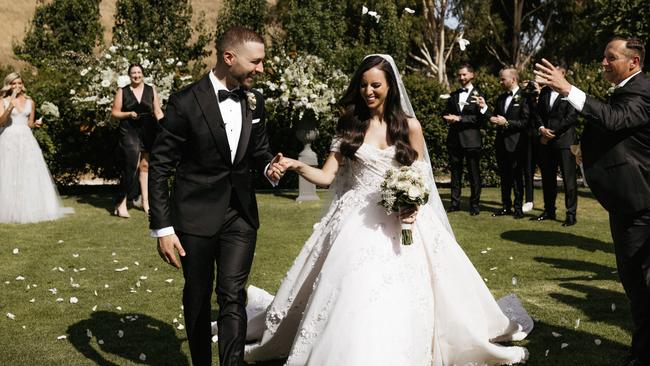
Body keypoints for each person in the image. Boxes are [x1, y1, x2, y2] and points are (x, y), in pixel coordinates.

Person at [241, 55, 532, 365]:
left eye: (376, 85)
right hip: (357, 222)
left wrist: (413, 205)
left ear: (390, 86)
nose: (368, 92)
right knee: (354, 285)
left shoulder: (410, 126)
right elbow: (326, 178)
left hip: (405, 221)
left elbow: (421, 178)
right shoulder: (349, 127)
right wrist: (296, 165)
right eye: (363, 85)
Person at [147, 27, 283, 366]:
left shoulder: (256, 101)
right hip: (194, 217)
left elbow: (260, 152)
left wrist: (269, 168)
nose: (261, 69)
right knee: (196, 296)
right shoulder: (185, 102)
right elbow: (160, 166)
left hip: (241, 216)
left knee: (232, 295)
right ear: (228, 58)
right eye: (256, 62)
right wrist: (163, 229)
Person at [535, 36, 650, 366]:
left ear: (634, 62)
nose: (603, 62)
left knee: (641, 282)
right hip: (626, 201)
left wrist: (568, 89)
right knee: (633, 281)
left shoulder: (643, 88)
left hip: (641, 202)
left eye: (610, 57)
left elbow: (615, 119)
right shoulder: (629, 88)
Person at [0, 72, 73, 223]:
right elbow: (1, 122)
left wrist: (36, 124)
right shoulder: (2, 100)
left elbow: (29, 124)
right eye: (14, 83)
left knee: (28, 172)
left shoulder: (30, 101)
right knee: (9, 173)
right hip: (8, 139)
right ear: (9, 85)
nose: (17, 86)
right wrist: (9, 106)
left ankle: (29, 208)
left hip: (27, 140)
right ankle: (9, 210)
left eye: (19, 83)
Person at [110, 63, 164, 218]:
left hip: (148, 130)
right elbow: (115, 113)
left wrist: (166, 126)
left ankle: (145, 203)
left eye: (139, 72)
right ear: (129, 75)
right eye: (133, 73)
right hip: (129, 130)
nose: (136, 75)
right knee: (131, 166)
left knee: (146, 166)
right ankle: (121, 203)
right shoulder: (123, 91)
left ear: (143, 74)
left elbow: (158, 111)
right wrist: (128, 114)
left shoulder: (150, 89)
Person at [529, 64, 579, 227]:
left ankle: (571, 214)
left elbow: (571, 117)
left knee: (568, 180)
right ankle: (549, 210)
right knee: (548, 179)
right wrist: (542, 129)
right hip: (546, 141)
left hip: (566, 142)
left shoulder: (571, 91)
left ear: (563, 74)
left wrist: (553, 132)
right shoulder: (544, 92)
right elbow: (537, 113)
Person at [486, 67, 530, 219]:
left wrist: (506, 123)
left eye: (503, 79)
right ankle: (506, 206)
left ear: (513, 79)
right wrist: (485, 110)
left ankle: (518, 208)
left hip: (517, 143)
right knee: (504, 177)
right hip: (501, 143)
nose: (500, 82)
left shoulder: (524, 97)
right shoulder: (501, 98)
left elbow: (525, 122)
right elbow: (496, 117)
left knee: (517, 177)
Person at [442, 64, 486, 216]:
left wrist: (460, 118)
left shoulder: (479, 95)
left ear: (472, 75)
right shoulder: (453, 95)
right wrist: (447, 118)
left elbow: (480, 119)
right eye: (460, 75)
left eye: (464, 75)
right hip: (454, 141)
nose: (461, 78)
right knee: (455, 174)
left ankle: (474, 205)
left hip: (471, 141)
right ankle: (455, 203)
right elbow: (445, 113)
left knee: (474, 174)